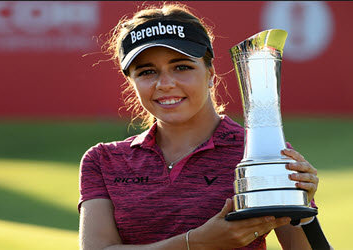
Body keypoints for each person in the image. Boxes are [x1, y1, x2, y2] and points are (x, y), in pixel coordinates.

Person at [78, 2, 331, 249]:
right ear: (131, 81)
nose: (165, 83)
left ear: (210, 73)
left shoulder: (261, 152)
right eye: (147, 72)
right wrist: (197, 242)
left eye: (181, 67)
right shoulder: (103, 160)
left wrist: (302, 209)